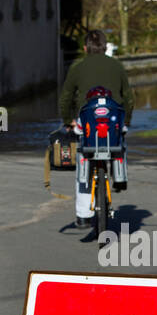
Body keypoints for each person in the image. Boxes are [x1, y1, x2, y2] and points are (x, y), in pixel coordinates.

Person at [60, 28, 134, 227]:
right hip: (113, 120)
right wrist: (126, 121)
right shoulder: (116, 65)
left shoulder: (77, 66)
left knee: (84, 156)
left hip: (88, 122)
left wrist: (68, 121)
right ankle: (120, 178)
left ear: (85, 48)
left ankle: (83, 214)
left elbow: (66, 97)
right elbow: (128, 97)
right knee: (119, 141)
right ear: (105, 47)